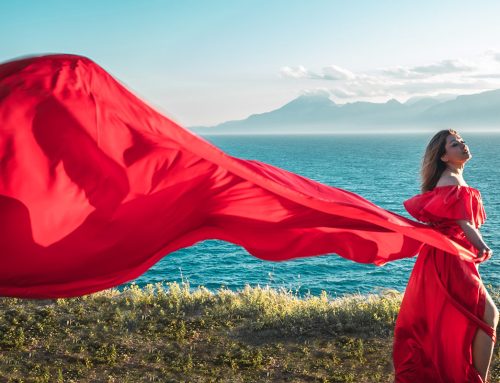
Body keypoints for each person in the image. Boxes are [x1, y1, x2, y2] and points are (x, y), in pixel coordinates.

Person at [393, 129, 498, 382]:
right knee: (489, 314)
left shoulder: (451, 178)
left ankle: (467, 375)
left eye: (461, 141)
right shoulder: (451, 180)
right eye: (454, 144)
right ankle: (475, 379)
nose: (462, 145)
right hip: (450, 258)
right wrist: (482, 246)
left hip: (449, 256)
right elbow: (465, 223)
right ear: (443, 157)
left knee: (459, 317)